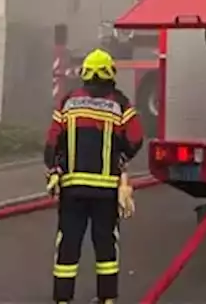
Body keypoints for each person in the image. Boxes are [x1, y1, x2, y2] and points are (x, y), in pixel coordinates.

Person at [45, 48, 144, 304]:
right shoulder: (120, 102)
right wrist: (120, 160)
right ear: (110, 72)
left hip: (73, 189)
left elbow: (52, 140)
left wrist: (54, 168)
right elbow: (136, 138)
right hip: (105, 191)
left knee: (68, 245)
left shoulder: (69, 100)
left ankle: (63, 299)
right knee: (106, 246)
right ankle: (107, 298)